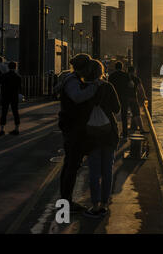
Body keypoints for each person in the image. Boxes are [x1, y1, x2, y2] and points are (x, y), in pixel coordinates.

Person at [54, 54, 99, 212]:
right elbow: (78, 98)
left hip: (70, 126)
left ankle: (65, 201)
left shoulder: (70, 79)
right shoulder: (73, 82)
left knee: (69, 165)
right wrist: (94, 86)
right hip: (73, 127)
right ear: (84, 68)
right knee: (72, 165)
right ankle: (66, 203)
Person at [83, 60, 120, 218]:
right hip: (109, 132)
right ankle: (105, 204)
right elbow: (117, 109)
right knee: (107, 171)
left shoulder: (84, 88)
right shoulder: (108, 86)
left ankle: (95, 205)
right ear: (101, 72)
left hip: (91, 134)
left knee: (94, 172)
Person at [0, 61, 21, 136]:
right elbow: (20, 87)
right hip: (14, 96)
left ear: (8, 67)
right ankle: (16, 129)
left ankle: (2, 129)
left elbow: (0, 83)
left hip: (5, 96)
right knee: (15, 112)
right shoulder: (18, 77)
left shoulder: (4, 75)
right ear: (15, 67)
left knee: (4, 112)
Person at [108, 61, 130, 137]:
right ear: (122, 67)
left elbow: (109, 86)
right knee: (124, 115)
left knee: (112, 115)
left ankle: (113, 132)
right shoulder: (126, 75)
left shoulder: (111, 76)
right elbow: (131, 85)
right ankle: (125, 133)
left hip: (114, 96)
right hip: (124, 97)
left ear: (115, 67)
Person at [127, 66, 147, 132]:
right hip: (133, 98)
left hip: (125, 98)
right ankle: (141, 129)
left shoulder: (125, 78)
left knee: (128, 113)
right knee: (137, 113)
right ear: (134, 71)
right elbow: (140, 89)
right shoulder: (136, 79)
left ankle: (129, 127)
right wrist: (144, 97)